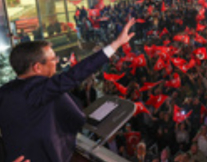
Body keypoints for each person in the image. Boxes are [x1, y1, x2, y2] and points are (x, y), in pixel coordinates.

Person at [0, 18, 135, 162]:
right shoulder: (39, 90)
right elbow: (74, 75)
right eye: (53, 59)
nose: (57, 62)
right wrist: (115, 45)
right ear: (37, 67)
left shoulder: (5, 91)